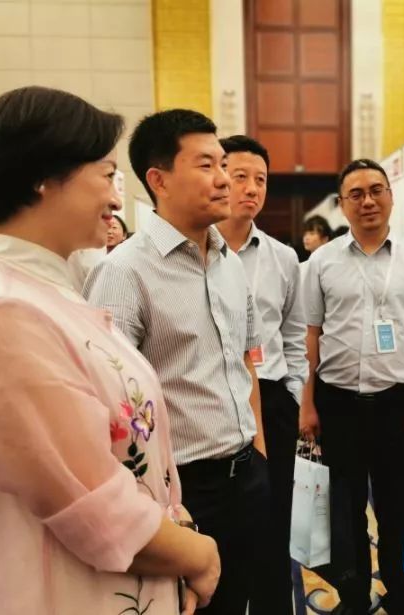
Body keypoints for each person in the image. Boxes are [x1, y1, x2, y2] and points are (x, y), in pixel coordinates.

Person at [0, 86, 220, 615]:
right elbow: (91, 501)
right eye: (106, 175)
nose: (116, 199)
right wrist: (199, 554)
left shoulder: (42, 292)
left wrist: (176, 524)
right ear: (43, 177)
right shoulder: (0, 316)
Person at [83, 109, 269, 615]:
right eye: (207, 165)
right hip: (181, 493)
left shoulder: (230, 264)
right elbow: (109, 405)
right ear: (159, 180)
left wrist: (258, 452)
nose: (224, 178)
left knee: (236, 601)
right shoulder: (124, 273)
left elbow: (245, 362)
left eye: (223, 164)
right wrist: (156, 509)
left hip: (246, 475)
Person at [301, 159, 404, 615]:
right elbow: (310, 336)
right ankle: (354, 599)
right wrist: (307, 404)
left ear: (391, 196)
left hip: (398, 406)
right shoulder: (321, 262)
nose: (368, 201)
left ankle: (401, 600)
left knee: (398, 511)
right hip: (337, 403)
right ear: (342, 205)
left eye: (376, 190)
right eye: (356, 194)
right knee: (345, 512)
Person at [215, 134, 308, 615]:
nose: (251, 189)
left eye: (261, 180)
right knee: (219, 525)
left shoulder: (283, 258)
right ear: (218, 177)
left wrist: (291, 392)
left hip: (270, 399)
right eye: (240, 177)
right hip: (213, 400)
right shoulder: (197, 253)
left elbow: (293, 334)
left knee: (274, 523)